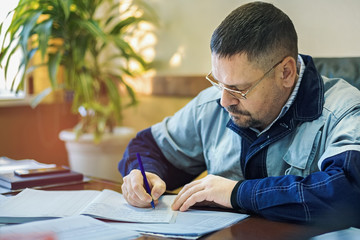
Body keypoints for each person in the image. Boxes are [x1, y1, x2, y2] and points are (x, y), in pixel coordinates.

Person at [119, 1, 360, 226]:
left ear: (286, 72)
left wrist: (236, 194)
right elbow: (148, 144)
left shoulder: (345, 110)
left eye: (239, 88)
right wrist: (144, 173)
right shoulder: (212, 103)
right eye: (219, 82)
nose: (224, 101)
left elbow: (349, 190)